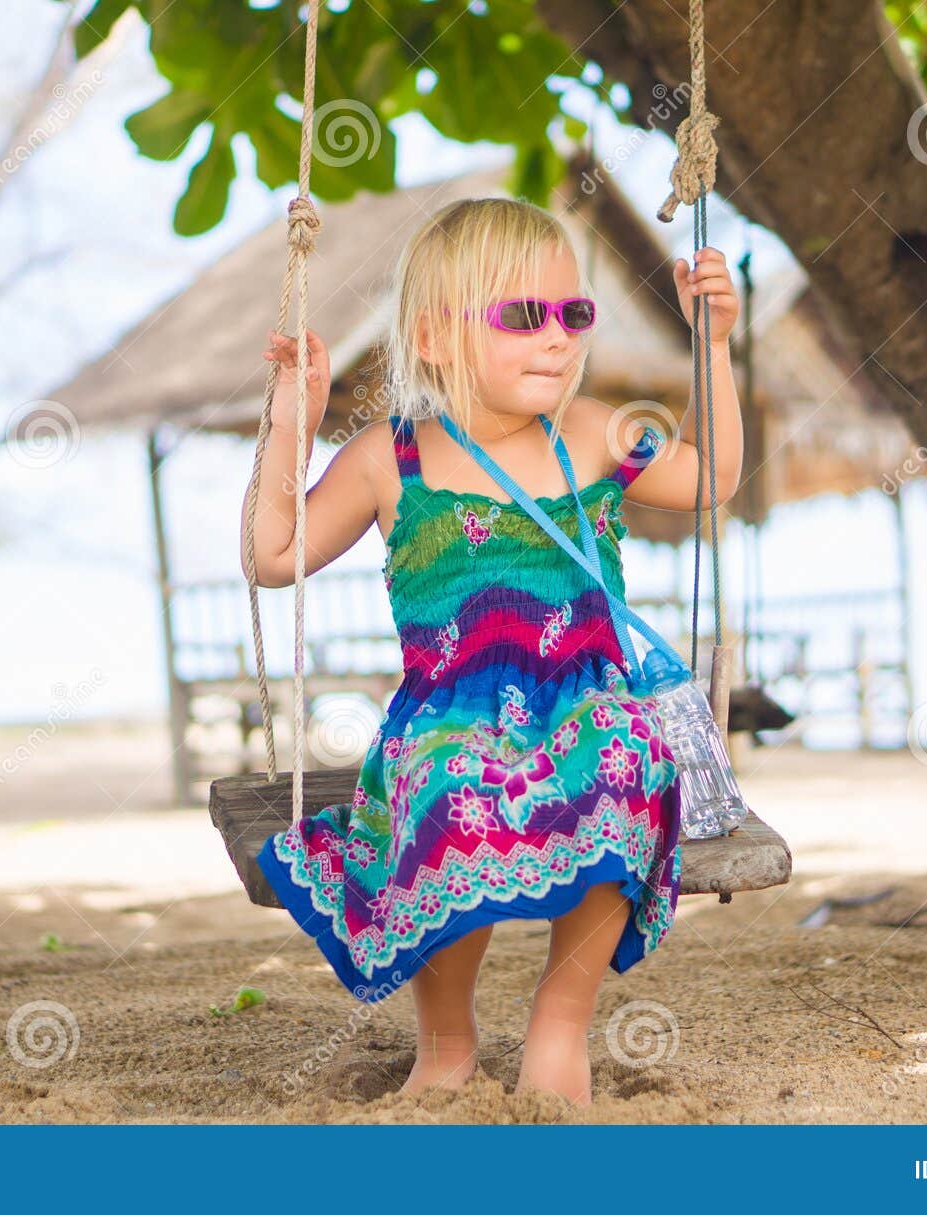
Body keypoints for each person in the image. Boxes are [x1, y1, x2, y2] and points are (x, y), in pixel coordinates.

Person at [241, 195, 741, 1105]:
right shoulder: (390, 460)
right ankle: (447, 1039)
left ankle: (561, 1014)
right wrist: (292, 422)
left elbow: (712, 479)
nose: (557, 338)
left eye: (573, 314)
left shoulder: (595, 432)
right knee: (445, 784)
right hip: (451, 716)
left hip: (587, 703)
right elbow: (273, 558)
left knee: (626, 763)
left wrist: (713, 346)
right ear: (433, 336)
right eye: (523, 316)